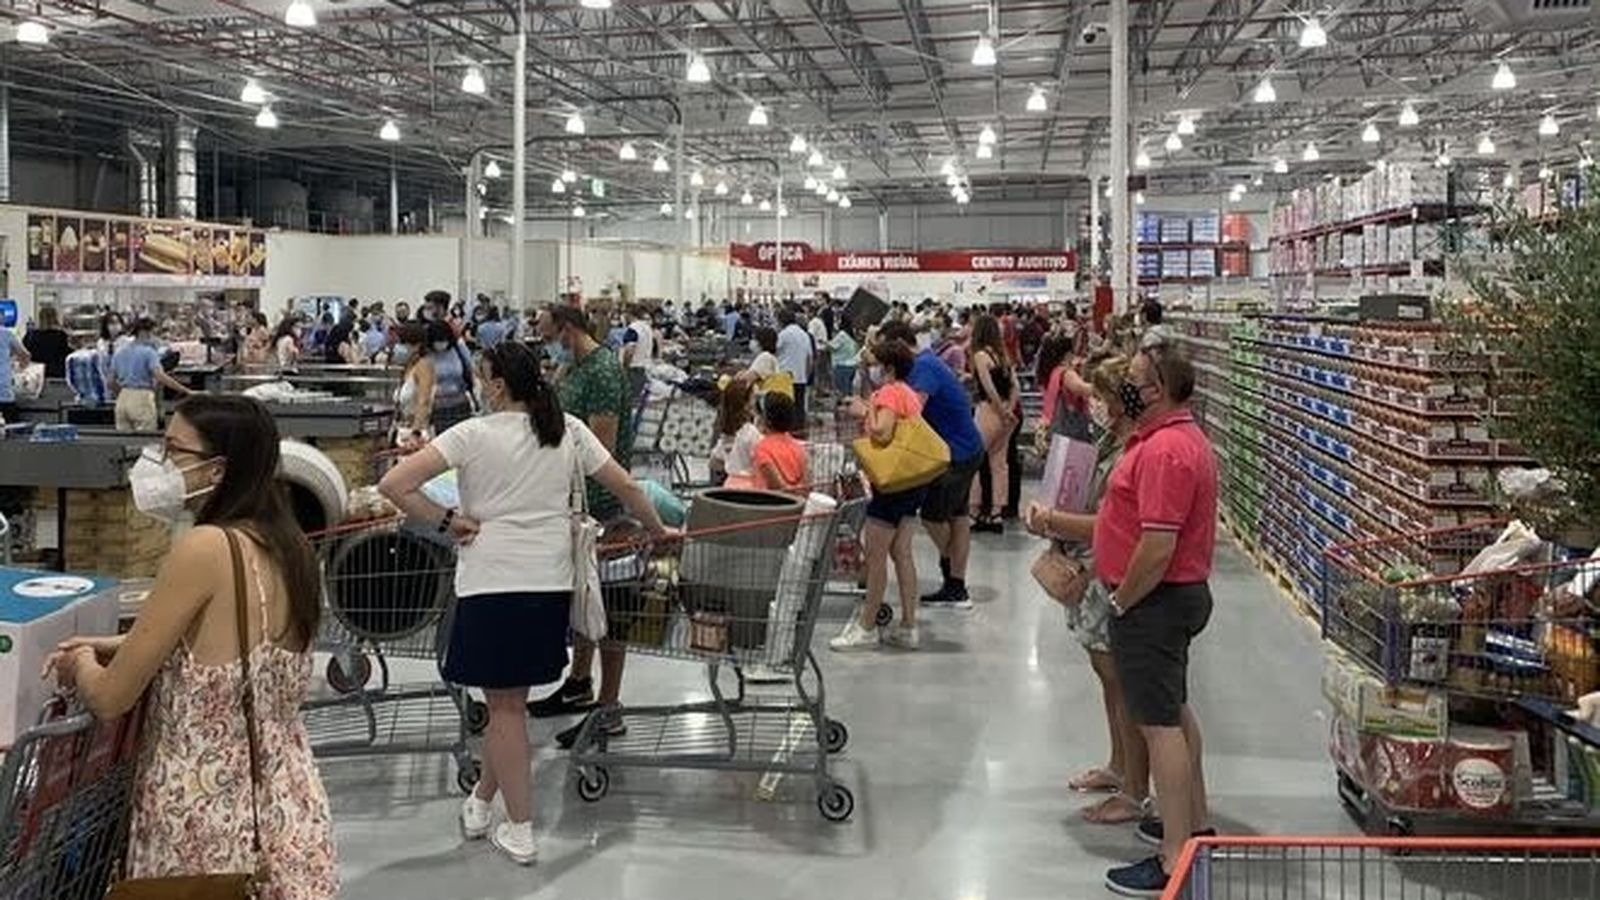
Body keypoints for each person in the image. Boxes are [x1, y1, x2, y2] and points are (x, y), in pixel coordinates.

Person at [379, 342, 665, 866]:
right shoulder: (567, 429)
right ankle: (482, 800)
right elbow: (628, 486)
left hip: (491, 583)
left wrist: (447, 522)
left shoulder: (471, 434)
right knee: (507, 705)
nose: (483, 386)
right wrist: (660, 530)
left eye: (485, 378)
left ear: (497, 385)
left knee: (504, 708)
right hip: (548, 584)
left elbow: (395, 484)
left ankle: (521, 828)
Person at [45, 394, 338, 898]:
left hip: (203, 817)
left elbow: (112, 697)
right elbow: (237, 648)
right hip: (286, 810)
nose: (158, 463)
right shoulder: (289, 547)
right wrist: (124, 641)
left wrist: (80, 663)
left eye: (172, 449)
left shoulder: (204, 549)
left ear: (218, 469)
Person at [1038, 344, 1218, 896]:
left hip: (1154, 602)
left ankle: (1173, 864)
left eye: (1135, 380)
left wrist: (1122, 601)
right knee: (1175, 713)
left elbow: (1157, 546)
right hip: (1165, 601)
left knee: (1159, 726)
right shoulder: (1167, 440)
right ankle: (1193, 825)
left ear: (1158, 389)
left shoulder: (1165, 451)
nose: (1120, 390)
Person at [1024, 354, 1151, 826]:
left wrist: (1052, 519)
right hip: (1095, 573)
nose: (1093, 403)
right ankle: (1120, 766)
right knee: (1108, 678)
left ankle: (1137, 790)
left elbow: (1112, 526)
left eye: (1100, 396)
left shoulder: (1130, 455)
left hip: (1108, 573)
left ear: (1118, 402)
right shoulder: (1110, 442)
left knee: (1124, 685)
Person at [529, 305, 635, 749]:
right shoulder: (573, 366)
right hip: (573, 506)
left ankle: (608, 707)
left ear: (568, 331)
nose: (545, 340)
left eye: (547, 332)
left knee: (609, 605)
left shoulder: (605, 373)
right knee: (584, 602)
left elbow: (601, 451)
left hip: (603, 510)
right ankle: (578, 682)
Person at [875, 320, 984, 609]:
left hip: (954, 454)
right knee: (958, 518)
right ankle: (956, 585)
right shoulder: (927, 362)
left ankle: (951, 569)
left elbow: (911, 415)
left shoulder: (922, 369)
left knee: (934, 517)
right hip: (968, 446)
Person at [830, 336, 926, 652]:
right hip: (913, 481)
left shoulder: (889, 393)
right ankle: (909, 626)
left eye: (874, 364)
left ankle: (867, 626)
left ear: (886, 367)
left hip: (891, 484)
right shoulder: (910, 394)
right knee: (902, 553)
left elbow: (883, 431)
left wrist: (864, 412)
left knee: (875, 556)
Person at [966, 313, 1019, 534]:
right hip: (1007, 412)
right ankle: (997, 513)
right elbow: (1015, 386)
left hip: (988, 411)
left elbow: (988, 388)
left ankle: (973, 511)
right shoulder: (1003, 355)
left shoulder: (979, 355)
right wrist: (1008, 410)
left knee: (974, 461)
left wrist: (998, 409)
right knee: (1000, 464)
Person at [111, 318, 194, 432]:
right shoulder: (149, 353)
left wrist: (121, 394)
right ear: (144, 332)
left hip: (122, 401)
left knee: (124, 445)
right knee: (146, 443)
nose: (155, 338)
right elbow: (160, 376)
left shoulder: (120, 353)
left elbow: (110, 381)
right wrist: (185, 390)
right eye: (153, 333)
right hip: (142, 398)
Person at [751, 392, 807, 493]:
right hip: (797, 505)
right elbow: (807, 483)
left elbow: (776, 485)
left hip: (770, 505)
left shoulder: (762, 449)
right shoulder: (798, 447)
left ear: (767, 420)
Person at [710, 378, 761, 489]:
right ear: (745, 403)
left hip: (729, 484)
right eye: (753, 398)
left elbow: (714, 462)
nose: (755, 402)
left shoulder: (727, 432)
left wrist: (732, 464)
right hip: (749, 487)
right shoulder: (750, 432)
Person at [426, 320, 475, 432]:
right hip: (435, 408)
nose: (441, 344)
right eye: (438, 340)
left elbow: (470, 366)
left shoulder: (457, 349)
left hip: (460, 404)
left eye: (444, 339)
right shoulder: (426, 354)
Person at [390, 324, 435, 444]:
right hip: (404, 428)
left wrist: (415, 433)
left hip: (417, 432)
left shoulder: (423, 366)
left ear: (416, 345)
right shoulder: (408, 366)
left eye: (403, 343)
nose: (398, 347)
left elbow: (423, 401)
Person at [774, 306, 812, 415]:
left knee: (785, 411)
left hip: (785, 378)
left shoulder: (783, 334)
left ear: (781, 321)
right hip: (801, 378)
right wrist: (806, 376)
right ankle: (800, 430)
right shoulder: (805, 335)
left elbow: (773, 351)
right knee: (799, 410)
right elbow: (810, 358)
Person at [619, 302, 656, 400]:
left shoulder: (632, 329)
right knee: (640, 399)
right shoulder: (647, 327)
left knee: (631, 400)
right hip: (646, 366)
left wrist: (624, 367)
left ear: (628, 314)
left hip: (634, 369)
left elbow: (630, 350)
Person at [23, 305, 70, 378]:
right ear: (55, 317)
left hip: (36, 376)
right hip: (57, 376)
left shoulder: (30, 336)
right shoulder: (61, 336)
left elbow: (24, 355)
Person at [65, 333, 109, 408]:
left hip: (81, 400)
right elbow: (101, 375)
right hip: (99, 399)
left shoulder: (70, 358)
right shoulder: (95, 354)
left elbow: (70, 381)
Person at [0, 319, 31, 421]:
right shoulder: (6, 333)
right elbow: (25, 355)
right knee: (10, 428)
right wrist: (20, 371)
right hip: (3, 390)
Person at [828, 324, 860, 399]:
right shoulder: (851, 336)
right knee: (849, 392)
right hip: (852, 366)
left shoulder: (842, 335)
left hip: (841, 365)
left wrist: (824, 343)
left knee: (842, 393)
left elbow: (833, 346)